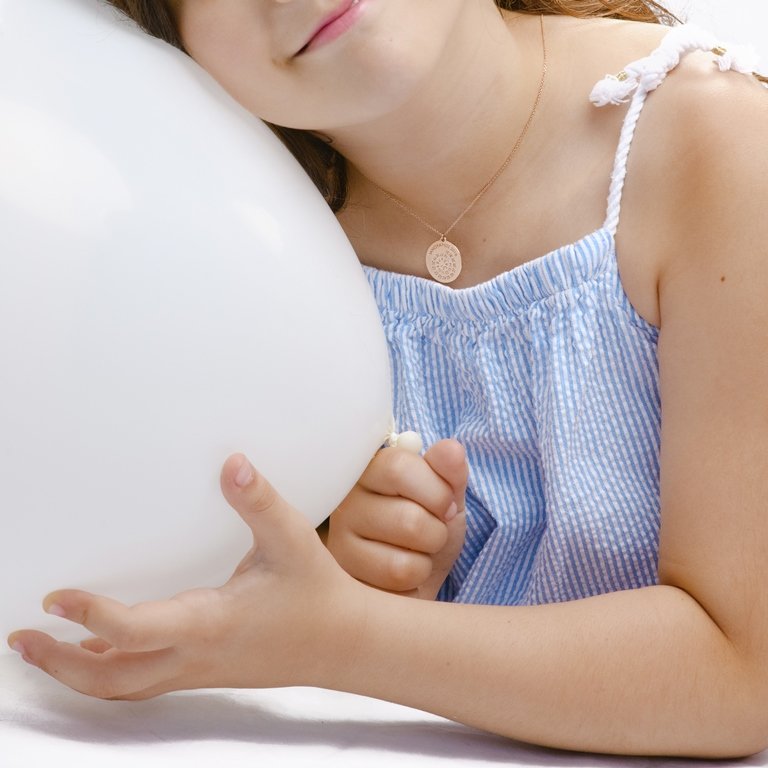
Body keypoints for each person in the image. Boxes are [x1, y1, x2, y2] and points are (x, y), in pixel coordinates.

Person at [8, 0, 768, 758]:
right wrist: (348, 557)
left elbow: (741, 680)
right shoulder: (237, 244)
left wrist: (342, 636)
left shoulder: (713, 140)